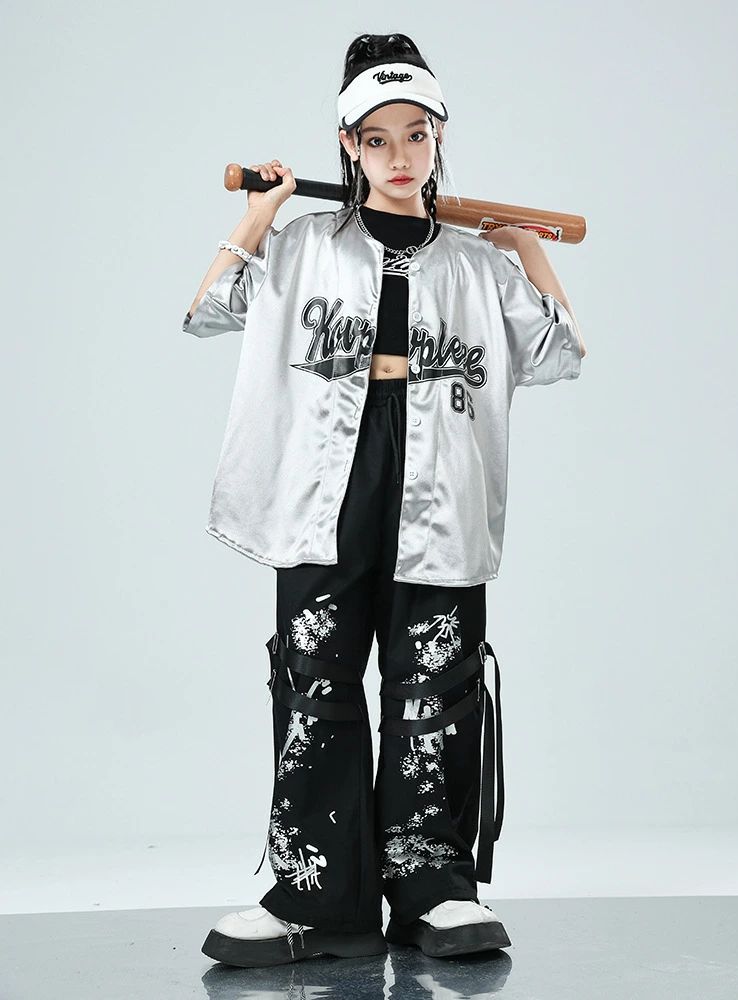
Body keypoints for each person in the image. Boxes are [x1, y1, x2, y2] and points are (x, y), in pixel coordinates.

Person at [184, 32, 587, 968]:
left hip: (440, 479)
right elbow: (209, 310)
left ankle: (434, 889)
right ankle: (313, 898)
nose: (400, 157)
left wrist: (528, 251)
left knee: (434, 683)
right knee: (317, 680)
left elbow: (558, 354)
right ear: (348, 146)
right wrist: (259, 213)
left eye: (417, 135)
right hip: (327, 478)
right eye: (376, 139)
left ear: (440, 137)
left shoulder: (475, 263)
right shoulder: (301, 248)